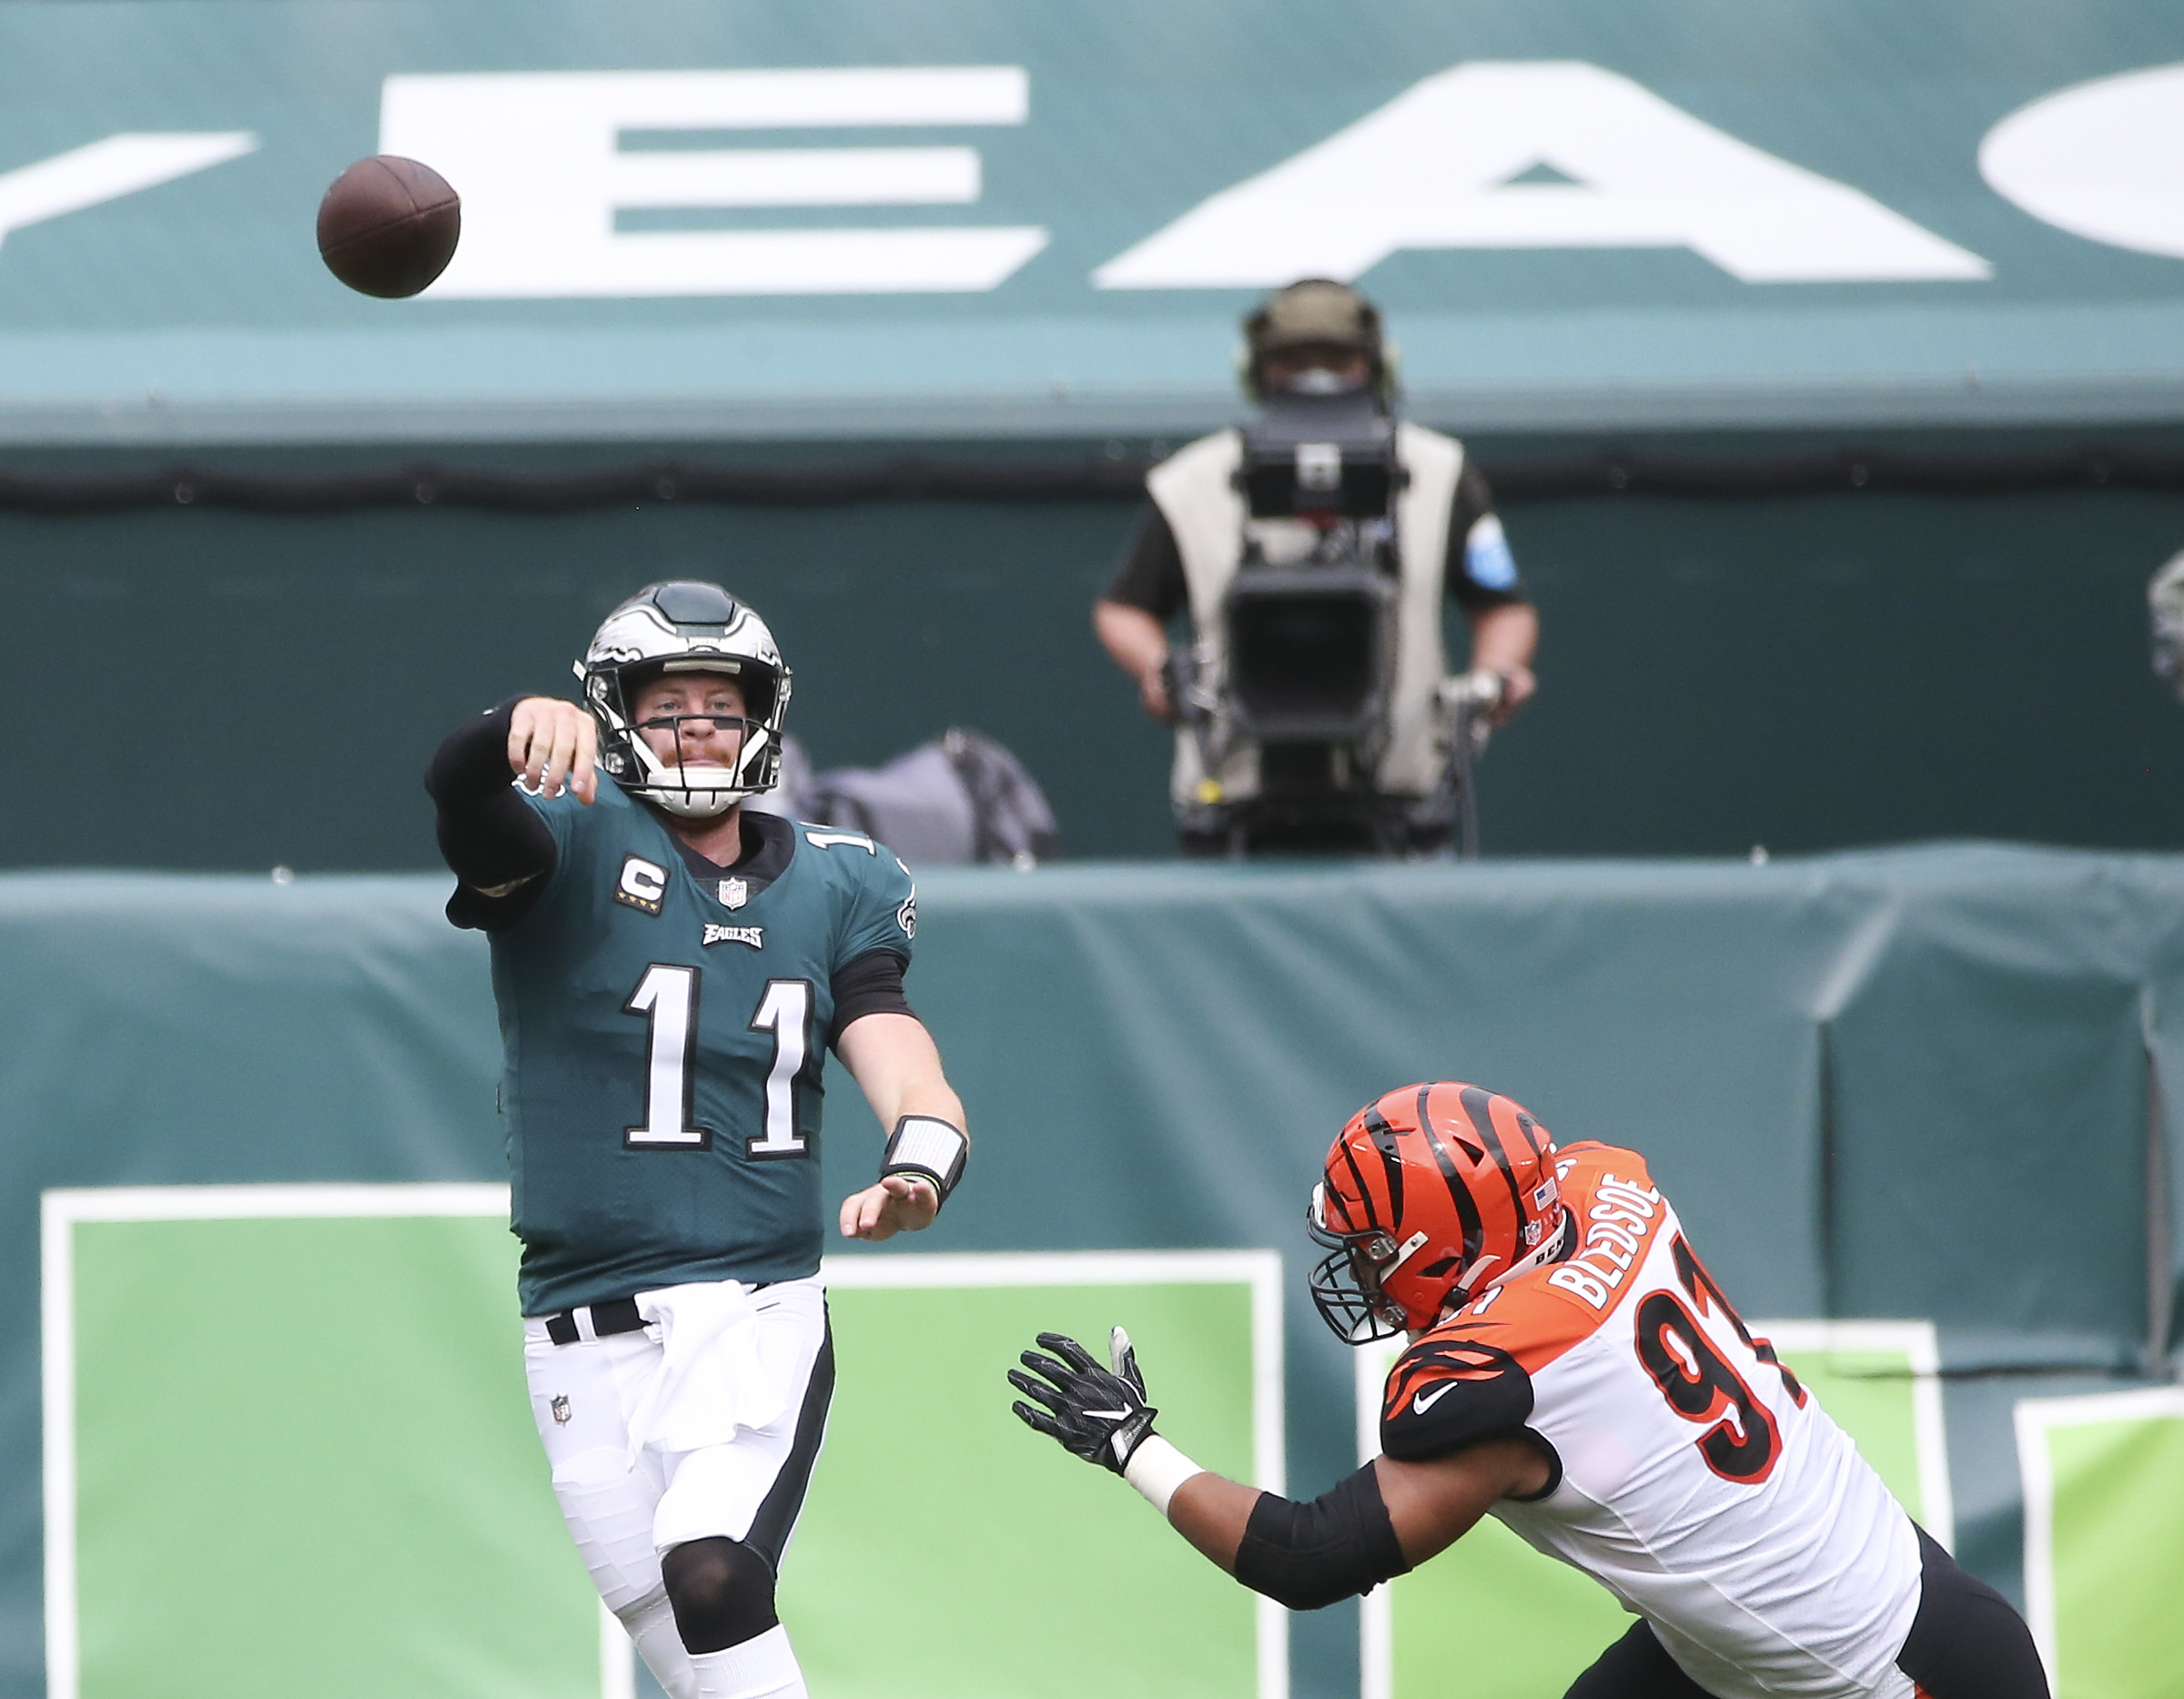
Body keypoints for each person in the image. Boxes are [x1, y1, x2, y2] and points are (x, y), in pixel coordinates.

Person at [1010, 1082, 2047, 1699]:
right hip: (1845, 1604)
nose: (1361, 1272)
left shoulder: (1504, 1387)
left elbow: (1310, 1556)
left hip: (1893, 1675)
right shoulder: (1603, 1191)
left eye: (1374, 1248)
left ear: (1435, 1247)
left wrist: (1133, 1445)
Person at [425, 580, 970, 1699]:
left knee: (716, 1575)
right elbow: (459, 796)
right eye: (668, 703)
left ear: (761, 714)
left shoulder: (839, 879)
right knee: (706, 1673)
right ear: (614, 712)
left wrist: (917, 1161)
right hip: (574, 1336)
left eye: (720, 705)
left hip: (751, 1309)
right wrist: (499, 737)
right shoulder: (565, 843)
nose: (697, 728)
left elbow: (910, 1066)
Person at [1093, 278, 1541, 854]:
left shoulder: (1438, 472)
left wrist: (1493, 678)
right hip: (1236, 803)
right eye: (1293, 362)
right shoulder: (1193, 483)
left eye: (1338, 359)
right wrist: (1160, 670)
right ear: (1256, 372)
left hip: (1403, 806)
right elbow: (1124, 608)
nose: (1316, 378)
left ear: (1377, 367)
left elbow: (1503, 605)